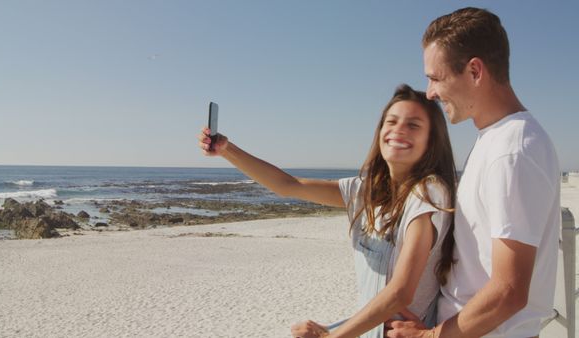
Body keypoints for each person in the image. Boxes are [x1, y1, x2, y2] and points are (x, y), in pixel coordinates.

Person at [197, 84, 457, 338]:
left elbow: (401, 292)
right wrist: (226, 150)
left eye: (413, 125)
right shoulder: (366, 191)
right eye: (391, 121)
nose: (399, 130)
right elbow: (288, 185)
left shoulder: (428, 192)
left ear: (431, 141)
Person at [386, 7, 561, 338]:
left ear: (475, 71)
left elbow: (509, 290)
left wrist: (430, 336)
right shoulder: (496, 139)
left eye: (436, 78)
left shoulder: (513, 150)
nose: (430, 93)